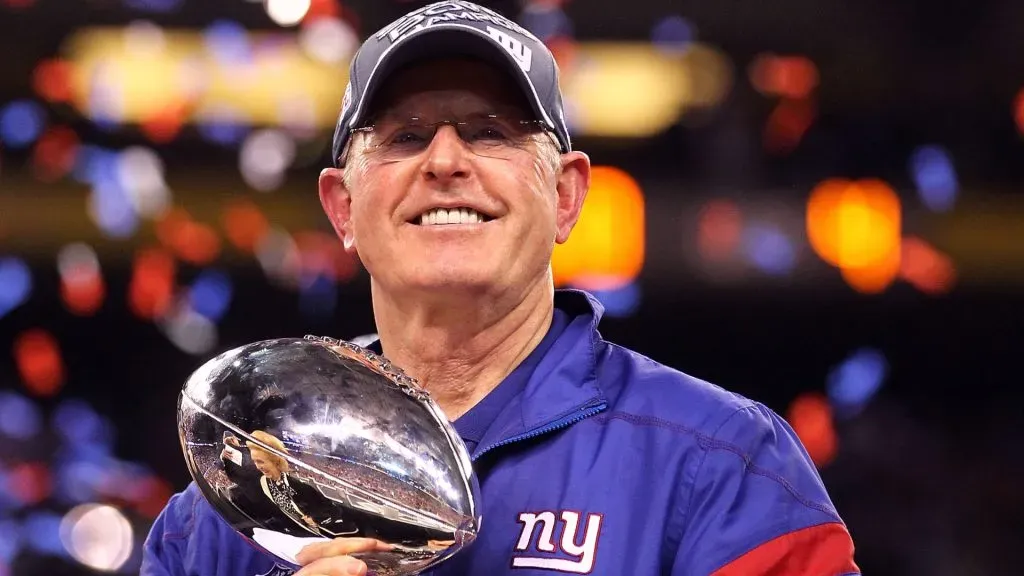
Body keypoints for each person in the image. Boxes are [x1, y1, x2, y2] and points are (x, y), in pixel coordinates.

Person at [141, 2, 861, 575]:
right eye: (403, 136)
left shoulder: (722, 465)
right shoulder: (222, 513)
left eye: (491, 132)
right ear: (342, 209)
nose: (445, 161)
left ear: (567, 197)